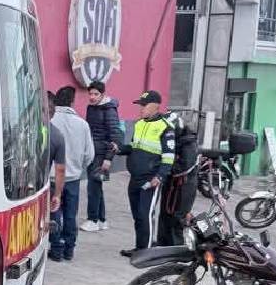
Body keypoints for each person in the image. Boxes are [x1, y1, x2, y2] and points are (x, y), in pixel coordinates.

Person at [118, 90, 176, 257]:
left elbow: (169, 156)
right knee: (137, 214)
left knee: (145, 214)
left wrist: (160, 176)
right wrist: (120, 149)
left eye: (144, 105)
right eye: (140, 105)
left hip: (151, 179)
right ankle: (140, 247)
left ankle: (147, 251)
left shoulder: (166, 127)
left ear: (155, 106)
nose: (141, 108)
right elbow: (134, 147)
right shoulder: (139, 124)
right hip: (135, 177)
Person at [48, 86, 94, 262]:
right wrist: (78, 167)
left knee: (54, 213)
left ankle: (56, 248)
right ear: (73, 102)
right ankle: (69, 249)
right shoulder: (82, 124)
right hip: (73, 178)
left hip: (52, 178)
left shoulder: (50, 122)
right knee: (70, 214)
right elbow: (89, 154)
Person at [81, 80, 123, 233]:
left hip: (102, 154)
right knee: (97, 186)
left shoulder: (109, 110)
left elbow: (116, 136)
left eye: (95, 94)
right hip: (93, 152)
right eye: (90, 94)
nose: (92, 97)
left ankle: (93, 220)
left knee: (93, 187)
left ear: (102, 94)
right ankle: (101, 220)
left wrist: (108, 158)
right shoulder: (91, 107)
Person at [157, 113, 198, 247]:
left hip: (183, 186)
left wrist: (165, 167)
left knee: (177, 217)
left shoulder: (188, 144)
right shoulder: (174, 141)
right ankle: (162, 243)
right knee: (164, 214)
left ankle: (176, 247)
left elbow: (184, 167)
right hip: (171, 184)